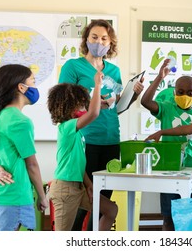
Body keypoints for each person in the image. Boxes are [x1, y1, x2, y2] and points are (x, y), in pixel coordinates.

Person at [58, 19, 143, 230]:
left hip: (111, 139)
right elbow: (63, 103)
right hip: (86, 140)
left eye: (104, 38)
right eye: (94, 37)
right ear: (86, 40)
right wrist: (94, 102)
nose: (99, 41)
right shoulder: (73, 67)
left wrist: (133, 95)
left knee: (103, 201)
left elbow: (119, 107)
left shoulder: (113, 70)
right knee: (83, 200)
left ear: (110, 42)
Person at [0, 64, 49, 231]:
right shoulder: (20, 122)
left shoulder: (0, 116)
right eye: (33, 81)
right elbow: (31, 164)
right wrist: (42, 196)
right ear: (21, 87)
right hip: (16, 197)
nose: (35, 86)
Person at [141, 59, 192, 231]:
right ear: (174, 93)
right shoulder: (166, 108)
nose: (185, 95)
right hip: (169, 171)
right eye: (180, 91)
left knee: (191, 217)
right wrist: (159, 77)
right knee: (169, 217)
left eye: (190, 93)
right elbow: (146, 101)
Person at [47, 72, 118, 231]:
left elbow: (77, 163)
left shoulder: (77, 132)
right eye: (80, 105)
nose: (83, 108)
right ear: (68, 108)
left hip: (78, 186)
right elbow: (93, 113)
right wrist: (97, 85)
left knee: (111, 210)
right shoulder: (66, 128)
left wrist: (89, 184)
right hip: (65, 189)